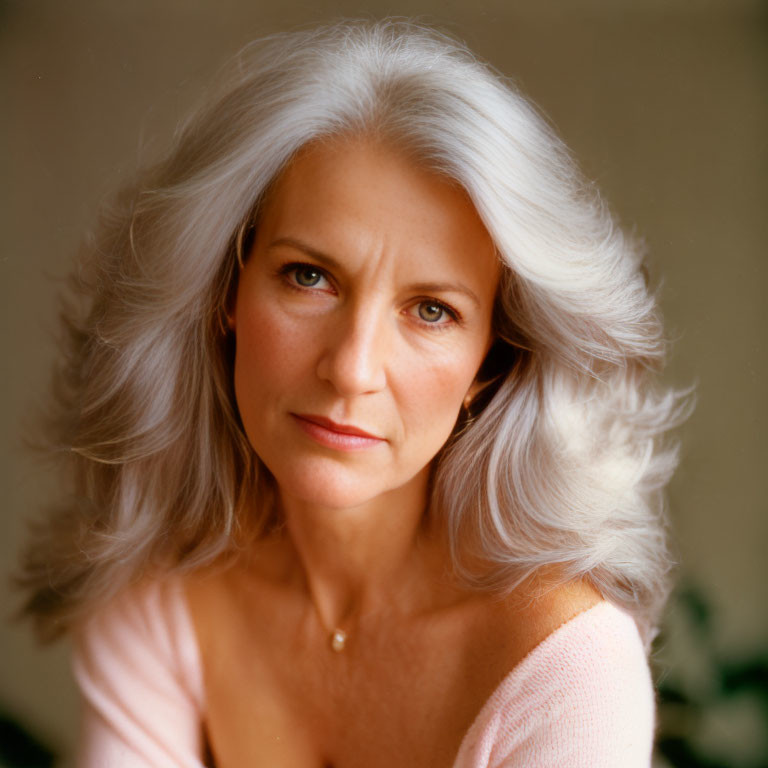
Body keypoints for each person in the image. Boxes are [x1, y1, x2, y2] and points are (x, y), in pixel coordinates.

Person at [18, 19, 688, 767]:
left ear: (490, 363)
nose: (352, 368)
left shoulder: (565, 667)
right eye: (310, 276)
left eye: (432, 310)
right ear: (225, 292)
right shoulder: (159, 594)